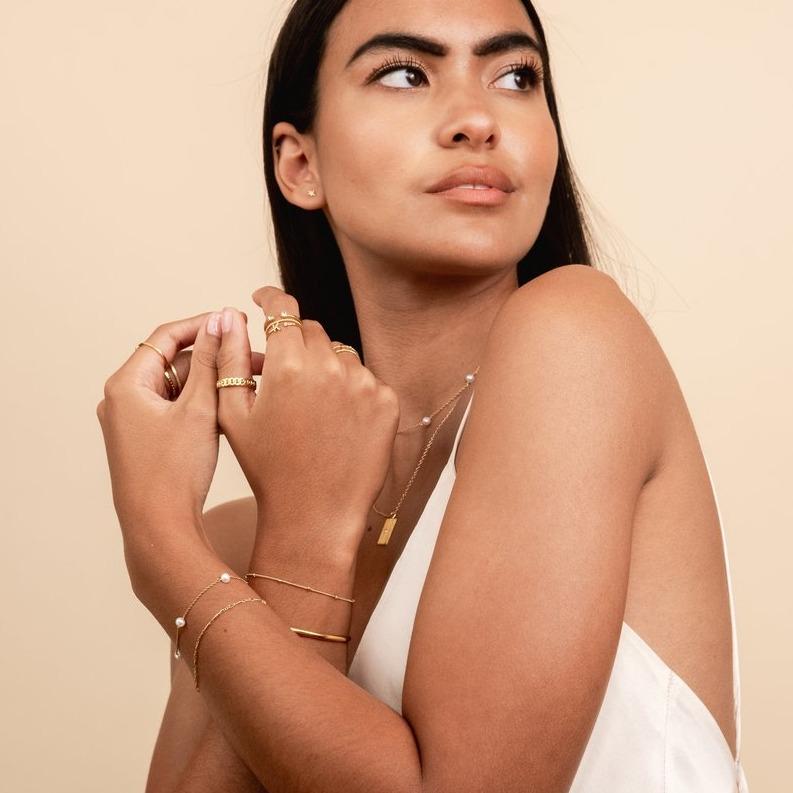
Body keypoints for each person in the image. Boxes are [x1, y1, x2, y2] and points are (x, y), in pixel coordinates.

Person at [96, 1, 749, 791]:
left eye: (515, 76)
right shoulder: (244, 541)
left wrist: (160, 542)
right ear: (299, 165)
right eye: (404, 73)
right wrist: (295, 534)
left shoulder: (576, 336)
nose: (476, 119)